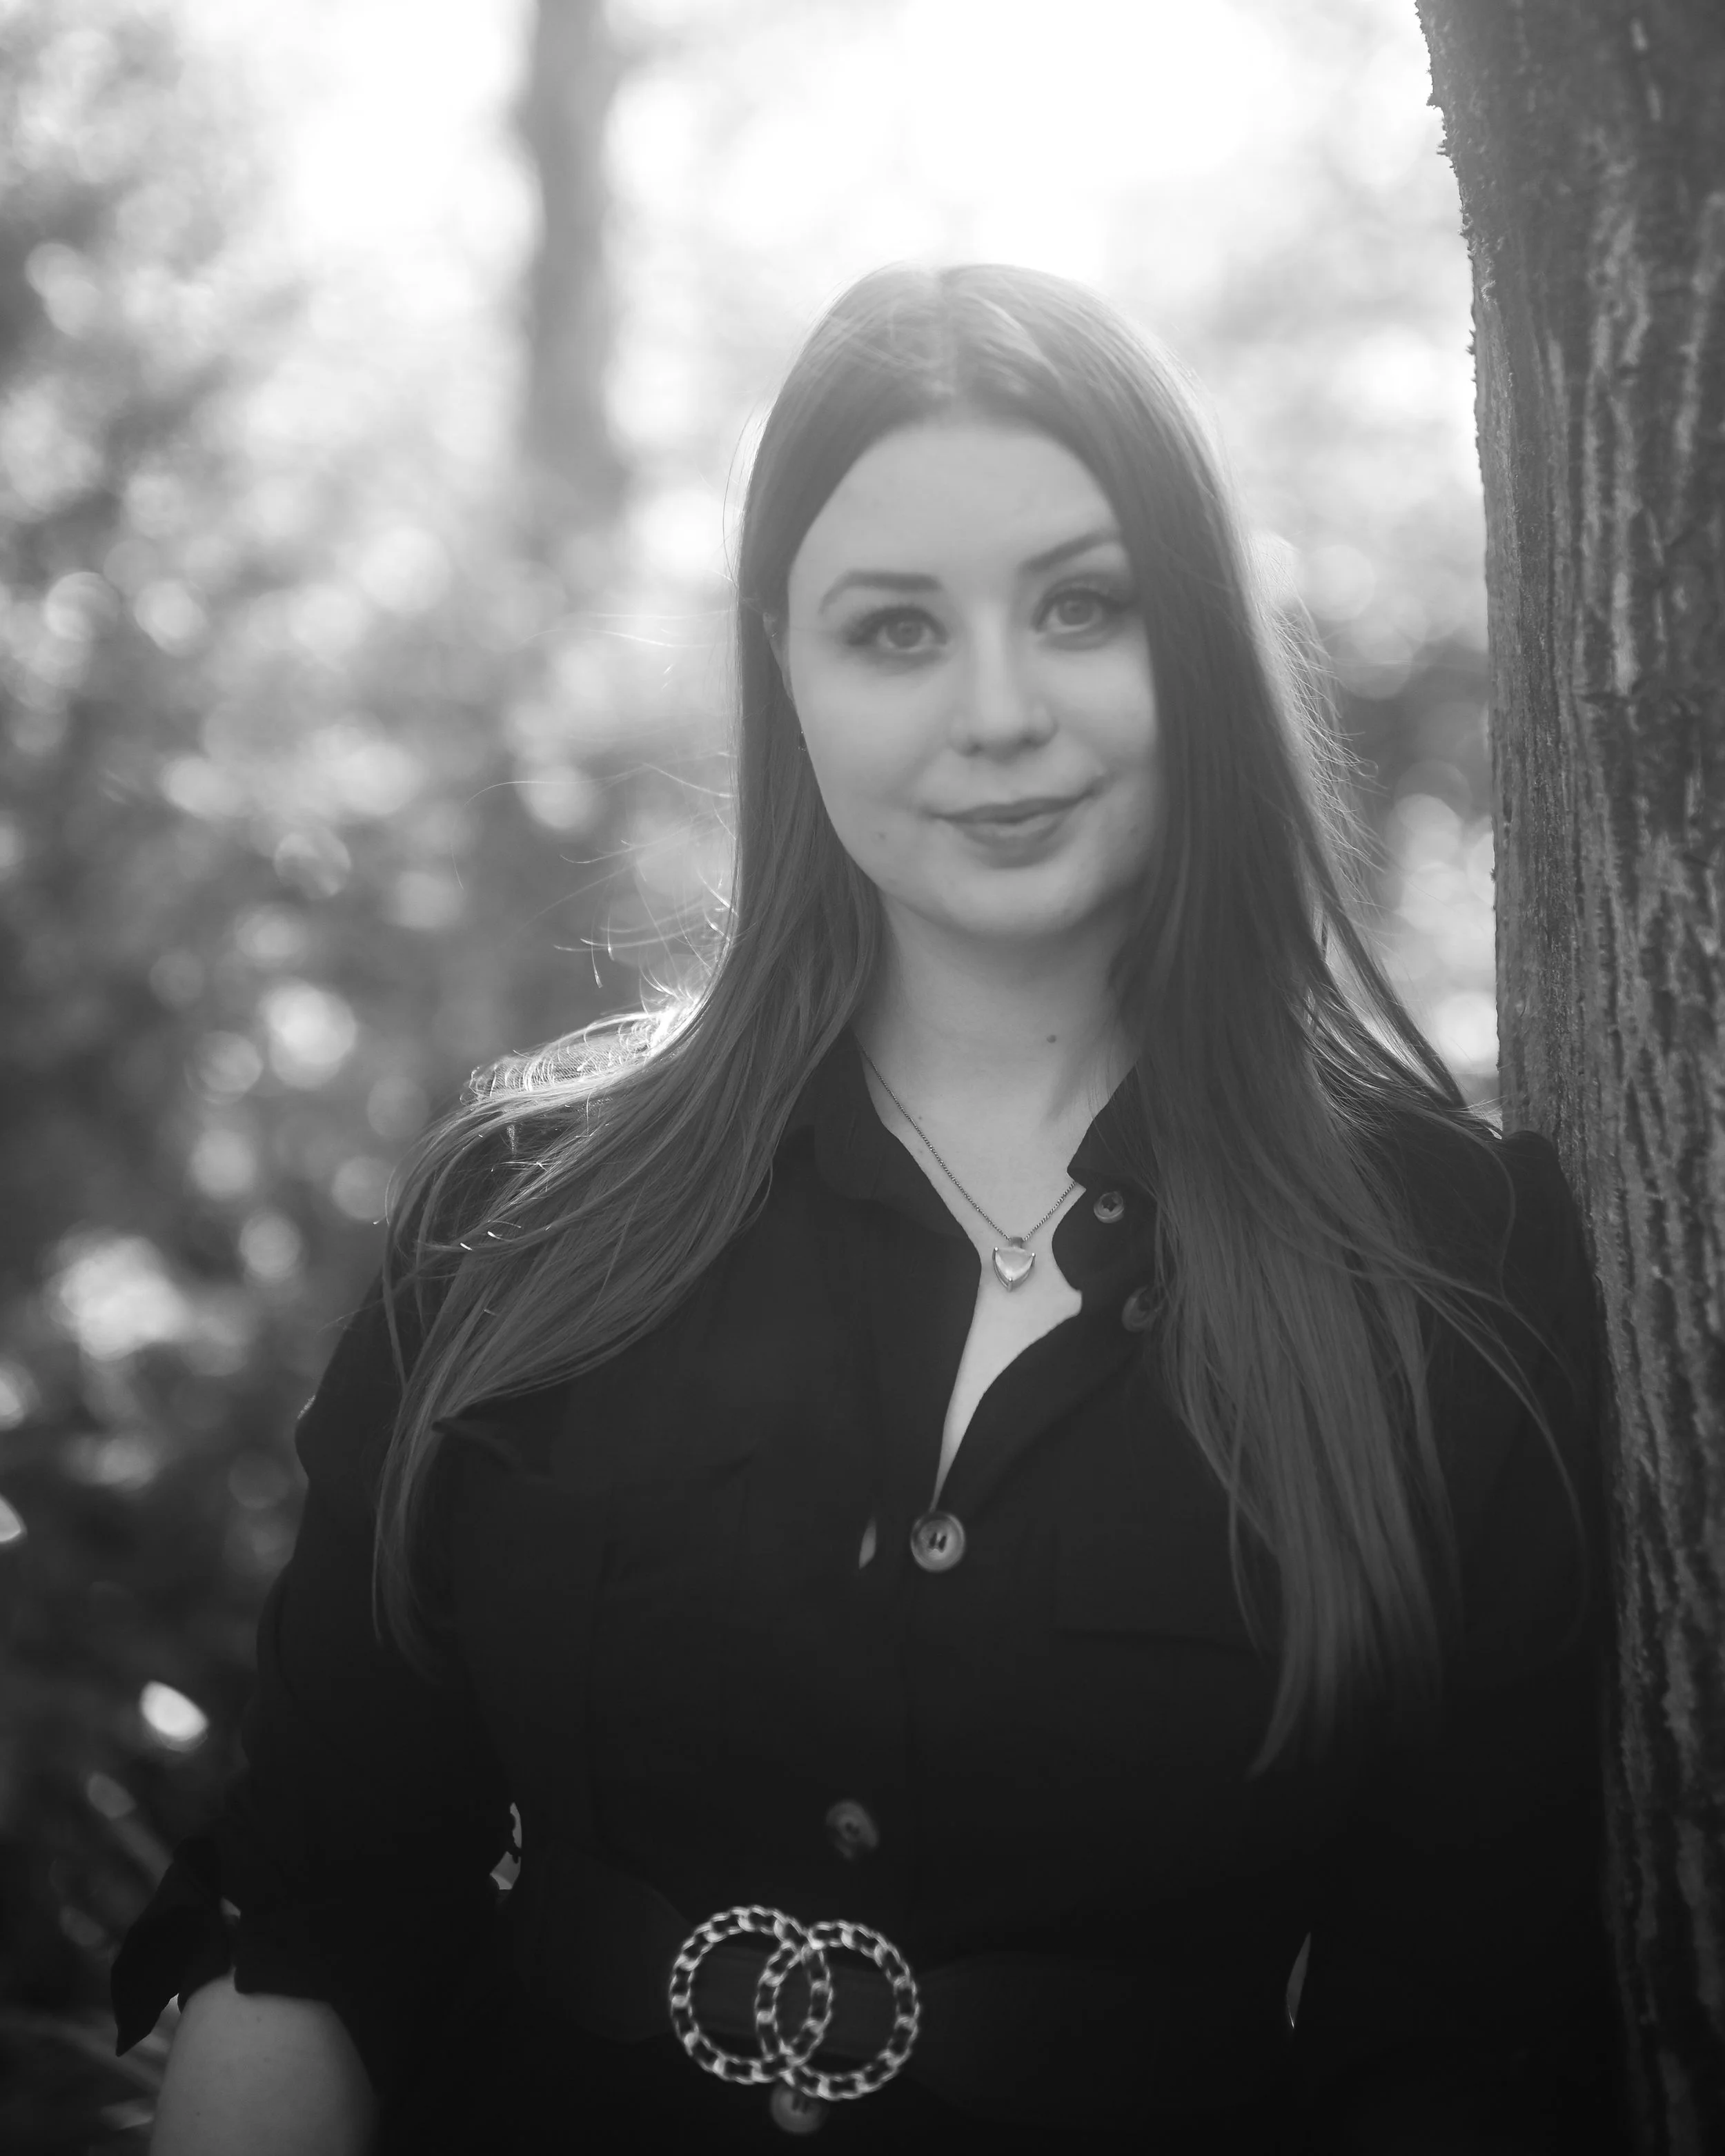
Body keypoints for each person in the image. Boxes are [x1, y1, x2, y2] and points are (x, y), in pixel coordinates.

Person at [114, 263, 1626, 2154]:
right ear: (785, 670)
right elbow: (312, 1912)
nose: (998, 712)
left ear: (1198, 641)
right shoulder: (527, 1218)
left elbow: (1466, 2045)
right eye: (892, 631)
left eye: (1082, 607)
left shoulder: (1441, 1266)